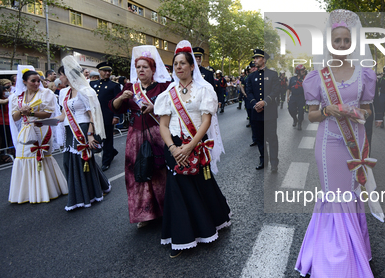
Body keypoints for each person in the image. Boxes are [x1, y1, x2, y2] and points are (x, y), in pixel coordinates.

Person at [295, 9, 383, 278]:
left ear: (353, 42)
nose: (342, 45)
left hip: (354, 141)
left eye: (347, 41)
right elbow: (311, 115)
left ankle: (354, 252)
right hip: (329, 142)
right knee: (335, 197)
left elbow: (368, 110)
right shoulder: (317, 76)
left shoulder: (365, 74)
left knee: (351, 195)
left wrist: (356, 112)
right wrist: (325, 109)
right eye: (338, 41)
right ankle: (336, 267)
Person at [154, 40, 230, 258]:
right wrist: (173, 148)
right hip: (175, 146)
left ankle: (210, 223)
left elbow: (206, 121)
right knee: (178, 190)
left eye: (182, 63)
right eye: (175, 64)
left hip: (196, 143)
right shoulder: (169, 93)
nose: (178, 67)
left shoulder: (204, 90)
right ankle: (182, 236)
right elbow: (163, 125)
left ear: (191, 66)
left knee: (201, 184)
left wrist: (189, 147)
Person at [111, 46, 171, 228]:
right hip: (135, 135)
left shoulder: (163, 87)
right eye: (138, 67)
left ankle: (165, 209)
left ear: (153, 69)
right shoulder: (130, 87)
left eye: (145, 67)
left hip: (157, 133)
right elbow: (114, 107)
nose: (141, 70)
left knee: (160, 171)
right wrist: (122, 98)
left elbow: (172, 107)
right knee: (138, 172)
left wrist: (154, 107)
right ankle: (145, 214)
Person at [57, 57, 111, 211]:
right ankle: (94, 187)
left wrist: (90, 133)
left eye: (61, 74)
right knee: (69, 162)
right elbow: (62, 116)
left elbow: (92, 114)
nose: (59, 78)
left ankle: (84, 195)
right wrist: (43, 119)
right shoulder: (66, 93)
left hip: (81, 128)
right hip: (69, 130)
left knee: (81, 161)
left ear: (67, 75)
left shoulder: (84, 91)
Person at [8, 66, 68, 204]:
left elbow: (48, 113)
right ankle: (27, 192)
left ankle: (45, 190)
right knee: (23, 157)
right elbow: (15, 117)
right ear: (24, 81)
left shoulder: (45, 93)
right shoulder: (16, 97)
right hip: (25, 130)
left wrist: (32, 113)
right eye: (32, 81)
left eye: (37, 81)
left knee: (40, 157)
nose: (36, 83)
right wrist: (22, 111)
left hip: (41, 128)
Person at [246, 49, 280, 172]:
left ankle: (274, 162)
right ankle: (263, 160)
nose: (254, 60)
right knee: (260, 138)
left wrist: (264, 102)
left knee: (272, 138)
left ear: (264, 59)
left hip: (269, 113)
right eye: (254, 58)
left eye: (257, 58)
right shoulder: (251, 76)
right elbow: (248, 92)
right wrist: (255, 104)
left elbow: (275, 91)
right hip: (256, 113)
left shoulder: (273, 74)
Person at [91, 62, 121, 171]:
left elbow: (118, 102)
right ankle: (111, 152)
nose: (107, 73)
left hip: (108, 116)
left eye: (109, 71)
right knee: (98, 138)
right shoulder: (92, 84)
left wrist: (116, 116)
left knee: (107, 139)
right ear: (99, 72)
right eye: (105, 71)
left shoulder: (114, 85)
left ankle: (106, 161)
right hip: (95, 116)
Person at [288, 64, 306, 130]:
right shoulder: (292, 79)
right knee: (290, 109)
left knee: (301, 111)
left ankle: (299, 124)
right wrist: (287, 97)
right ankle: (295, 119)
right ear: (298, 71)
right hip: (293, 97)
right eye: (302, 70)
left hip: (301, 97)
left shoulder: (305, 78)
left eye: (303, 70)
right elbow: (289, 88)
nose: (303, 71)